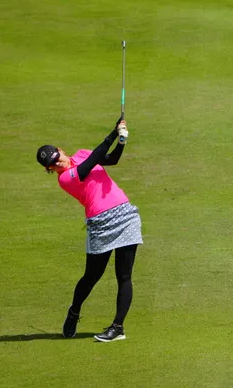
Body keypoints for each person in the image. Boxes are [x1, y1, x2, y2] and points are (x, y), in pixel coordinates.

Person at [36, 118, 142, 342]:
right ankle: (74, 312)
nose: (58, 163)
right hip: (100, 224)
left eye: (57, 157)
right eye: (52, 165)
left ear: (60, 150)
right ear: (49, 169)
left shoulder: (82, 153)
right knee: (92, 276)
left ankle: (117, 327)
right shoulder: (65, 179)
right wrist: (113, 134)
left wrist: (121, 141)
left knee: (124, 276)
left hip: (126, 216)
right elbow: (92, 162)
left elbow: (111, 159)